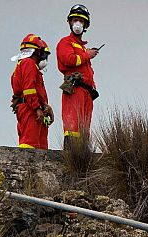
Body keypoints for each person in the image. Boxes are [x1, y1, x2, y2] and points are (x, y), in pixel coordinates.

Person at [56, 4, 99, 150]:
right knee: (73, 125)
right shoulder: (65, 42)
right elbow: (68, 60)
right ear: (69, 22)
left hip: (86, 92)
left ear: (86, 24)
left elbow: (85, 69)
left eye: (81, 21)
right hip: (75, 89)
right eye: (75, 20)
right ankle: (71, 157)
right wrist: (87, 55)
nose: (78, 24)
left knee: (84, 129)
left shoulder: (82, 47)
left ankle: (82, 157)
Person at [10, 34, 54, 149]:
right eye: (43, 54)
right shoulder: (28, 63)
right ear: (37, 52)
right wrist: (37, 109)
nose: (44, 58)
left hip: (33, 107)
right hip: (30, 110)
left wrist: (45, 106)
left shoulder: (25, 65)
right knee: (30, 144)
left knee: (40, 146)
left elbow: (35, 92)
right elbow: (29, 90)